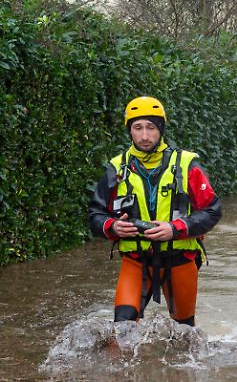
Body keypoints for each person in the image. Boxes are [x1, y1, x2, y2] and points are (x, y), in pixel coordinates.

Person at [88, 96, 221, 326]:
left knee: (183, 335)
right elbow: (95, 215)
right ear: (129, 131)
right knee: (122, 329)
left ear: (161, 129)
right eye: (138, 128)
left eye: (151, 127)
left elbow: (212, 210)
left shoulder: (187, 164)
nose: (145, 136)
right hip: (135, 261)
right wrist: (112, 226)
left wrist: (175, 228)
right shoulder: (116, 168)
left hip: (180, 260)